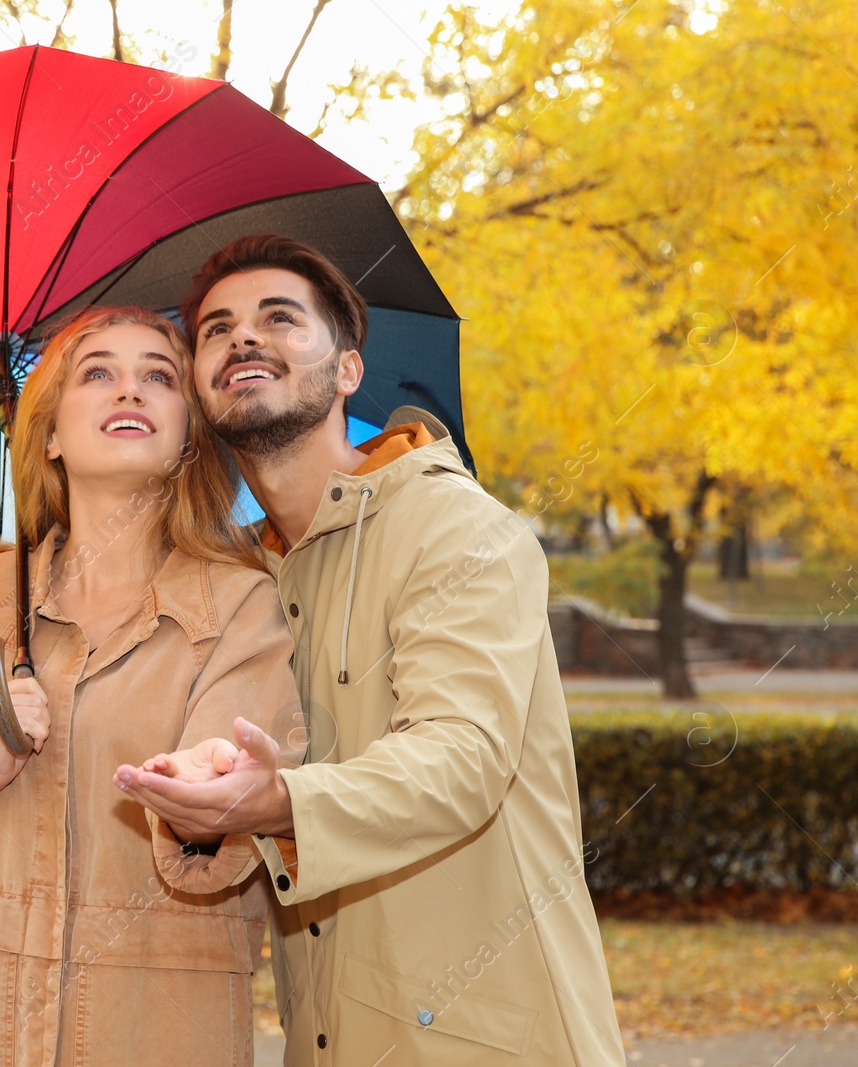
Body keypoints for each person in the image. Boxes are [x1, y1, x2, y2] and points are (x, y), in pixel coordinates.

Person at [114, 235, 625, 1066]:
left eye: (280, 318)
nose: (244, 337)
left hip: (495, 1040)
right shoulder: (237, 577)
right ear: (202, 390)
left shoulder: (455, 527)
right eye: (216, 329)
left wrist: (279, 804)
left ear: (349, 369)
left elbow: (462, 758)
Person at [0, 305, 303, 1066]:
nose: (130, 390)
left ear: (189, 433)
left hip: (153, 1026)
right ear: (50, 433)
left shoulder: (241, 603)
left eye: (158, 377)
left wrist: (205, 794)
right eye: (98, 373)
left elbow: (212, 841)